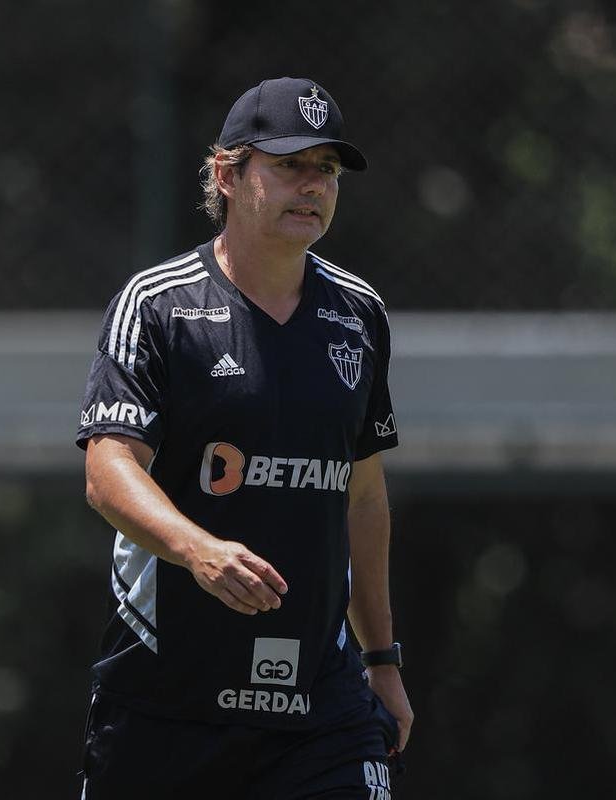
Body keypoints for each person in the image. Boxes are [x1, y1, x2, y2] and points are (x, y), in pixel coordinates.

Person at [74, 77, 413, 798]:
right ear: (227, 174)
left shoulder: (359, 313)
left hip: (321, 708)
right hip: (165, 708)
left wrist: (382, 659)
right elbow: (108, 470)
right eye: (290, 164)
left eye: (327, 169)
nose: (313, 185)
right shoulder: (157, 305)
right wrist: (198, 551)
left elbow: (363, 497)